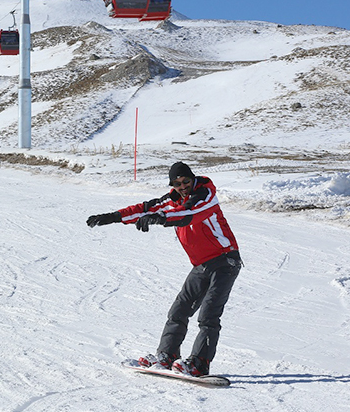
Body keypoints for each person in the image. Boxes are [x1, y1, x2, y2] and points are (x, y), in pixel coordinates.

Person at [86, 161, 241, 377]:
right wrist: (113, 217)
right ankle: (167, 355)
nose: (182, 186)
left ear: (192, 178)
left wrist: (162, 219)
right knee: (179, 311)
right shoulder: (173, 199)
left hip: (225, 261)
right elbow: (145, 208)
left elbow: (189, 215)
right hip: (201, 265)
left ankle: (200, 363)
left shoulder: (205, 195)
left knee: (208, 315)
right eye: (177, 183)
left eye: (186, 181)